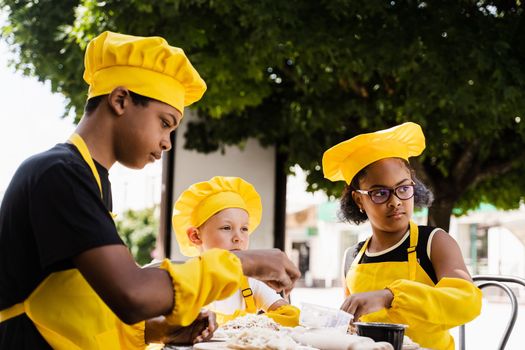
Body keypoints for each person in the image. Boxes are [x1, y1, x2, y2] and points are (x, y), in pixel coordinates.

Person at [0, 31, 300, 350]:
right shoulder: (59, 173)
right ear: (120, 100)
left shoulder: (89, 178)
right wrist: (244, 263)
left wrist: (158, 331)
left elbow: (76, 302)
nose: (167, 142)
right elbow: (132, 294)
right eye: (165, 123)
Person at [322, 122, 482, 350]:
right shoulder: (352, 258)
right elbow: (351, 326)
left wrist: (390, 296)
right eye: (380, 193)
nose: (395, 201)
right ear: (359, 200)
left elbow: (468, 302)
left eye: (403, 188)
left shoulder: (434, 242)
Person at [172, 176, 300, 327]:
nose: (238, 238)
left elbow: (289, 315)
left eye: (244, 229)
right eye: (226, 228)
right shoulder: (185, 281)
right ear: (195, 236)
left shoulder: (250, 282)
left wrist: (247, 324)